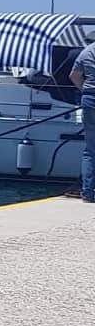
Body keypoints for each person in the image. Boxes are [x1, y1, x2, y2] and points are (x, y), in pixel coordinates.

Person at [72, 36, 95, 204]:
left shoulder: (86, 52)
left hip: (89, 98)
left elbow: (74, 76)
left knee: (91, 149)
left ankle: (88, 192)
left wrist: (83, 90)